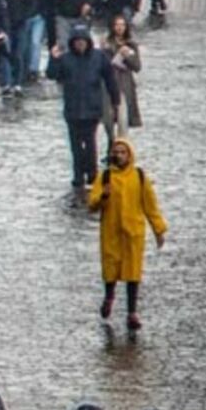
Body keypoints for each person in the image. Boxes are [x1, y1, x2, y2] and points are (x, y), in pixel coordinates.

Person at [88, 138, 166, 330]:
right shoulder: (105, 177)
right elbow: (92, 204)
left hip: (133, 232)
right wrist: (103, 196)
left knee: (133, 272)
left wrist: (159, 229)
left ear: (129, 155)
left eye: (123, 152)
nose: (119, 155)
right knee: (111, 266)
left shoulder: (139, 177)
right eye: (117, 152)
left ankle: (132, 312)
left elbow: (150, 205)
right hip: (111, 230)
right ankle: (109, 296)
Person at [48, 25, 117, 192]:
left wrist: (115, 100)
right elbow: (52, 75)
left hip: (92, 108)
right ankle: (78, 174)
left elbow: (110, 79)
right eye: (77, 42)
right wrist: (54, 59)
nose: (80, 45)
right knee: (75, 144)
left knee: (90, 141)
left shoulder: (98, 57)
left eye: (83, 42)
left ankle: (92, 173)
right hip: (73, 109)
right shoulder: (66, 59)